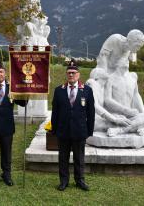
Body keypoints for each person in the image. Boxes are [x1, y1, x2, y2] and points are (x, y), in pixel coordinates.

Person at [51, 59, 95, 191]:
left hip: (79, 130)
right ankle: (64, 181)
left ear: (78, 75)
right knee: (63, 158)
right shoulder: (59, 90)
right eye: (69, 72)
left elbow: (91, 112)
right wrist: (54, 129)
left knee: (79, 158)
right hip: (63, 131)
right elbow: (55, 112)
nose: (71, 75)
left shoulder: (87, 90)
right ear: (66, 74)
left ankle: (80, 180)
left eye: (73, 72)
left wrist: (89, 130)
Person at [104, 57, 144, 136]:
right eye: (123, 59)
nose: (126, 61)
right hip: (119, 115)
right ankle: (121, 130)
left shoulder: (133, 76)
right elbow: (107, 100)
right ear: (116, 63)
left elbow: (136, 95)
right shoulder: (110, 78)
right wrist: (125, 110)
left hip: (133, 114)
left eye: (127, 60)